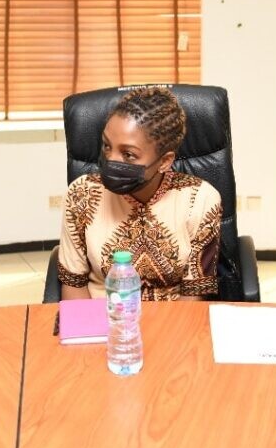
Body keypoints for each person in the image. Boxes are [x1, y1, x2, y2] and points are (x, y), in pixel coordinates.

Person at [58, 86, 222, 301]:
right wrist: (93, 324)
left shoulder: (199, 199)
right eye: (107, 146)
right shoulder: (81, 194)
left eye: (128, 154)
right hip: (104, 314)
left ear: (164, 161)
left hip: (172, 316)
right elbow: (73, 283)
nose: (111, 160)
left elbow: (194, 294)